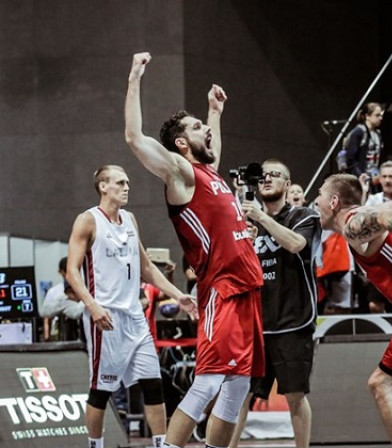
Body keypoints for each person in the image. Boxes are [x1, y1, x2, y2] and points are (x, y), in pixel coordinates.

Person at [124, 52, 265, 448]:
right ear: (182, 143)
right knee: (207, 381)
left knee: (238, 385)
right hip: (220, 288)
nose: (208, 130)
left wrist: (214, 112)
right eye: (199, 127)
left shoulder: (210, 173)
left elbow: (213, 150)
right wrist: (135, 77)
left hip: (247, 287)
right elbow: (134, 139)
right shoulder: (181, 174)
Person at [65, 165, 197, 448]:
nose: (127, 187)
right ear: (103, 186)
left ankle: (162, 444)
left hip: (135, 318)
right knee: (101, 390)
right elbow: (72, 272)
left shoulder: (129, 219)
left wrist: (177, 295)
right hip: (106, 318)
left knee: (153, 383)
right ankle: (95, 445)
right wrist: (93, 306)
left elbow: (146, 267)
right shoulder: (87, 221)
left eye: (128, 182)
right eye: (120, 182)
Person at [317, 173, 392, 448]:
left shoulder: (354, 223)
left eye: (318, 195)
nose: (314, 201)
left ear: (333, 201)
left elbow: (388, 217)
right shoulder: (359, 219)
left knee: (381, 383)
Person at [230, 160, 320, 448]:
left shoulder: (305, 216)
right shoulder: (246, 221)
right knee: (239, 393)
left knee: (294, 394)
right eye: (263, 175)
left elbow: (295, 245)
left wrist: (262, 219)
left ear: (288, 182)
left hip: (293, 320)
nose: (268, 179)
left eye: (275, 175)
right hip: (255, 321)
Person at [40, 256, 85, 341]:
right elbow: (45, 315)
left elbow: (77, 312)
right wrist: (46, 338)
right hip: (63, 336)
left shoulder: (85, 294)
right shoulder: (55, 294)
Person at [344, 102, 384, 182]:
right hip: (361, 176)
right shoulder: (359, 132)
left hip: (374, 174)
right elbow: (350, 159)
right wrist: (360, 175)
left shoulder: (377, 134)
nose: (380, 118)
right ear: (367, 116)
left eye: (381, 115)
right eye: (377, 115)